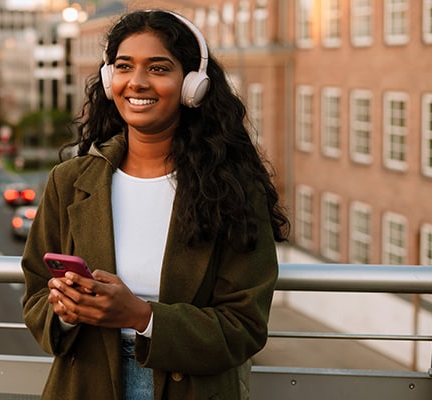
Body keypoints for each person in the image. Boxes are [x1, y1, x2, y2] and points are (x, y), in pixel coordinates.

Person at [21, 9, 289, 400]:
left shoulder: (232, 187)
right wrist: (65, 310)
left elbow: (245, 327)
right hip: (85, 385)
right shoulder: (70, 181)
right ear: (110, 79)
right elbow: (34, 296)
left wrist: (141, 317)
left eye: (159, 68)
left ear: (192, 85)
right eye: (125, 66)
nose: (138, 82)